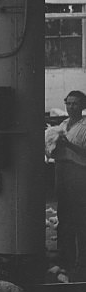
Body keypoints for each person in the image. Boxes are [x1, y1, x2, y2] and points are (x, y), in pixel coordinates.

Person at [52, 90, 86, 275]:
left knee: (80, 219)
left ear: (83, 106)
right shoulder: (63, 125)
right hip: (61, 171)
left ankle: (82, 262)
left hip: (79, 173)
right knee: (64, 218)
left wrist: (68, 144)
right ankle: (65, 259)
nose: (71, 107)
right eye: (69, 103)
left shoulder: (85, 126)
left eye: (76, 103)